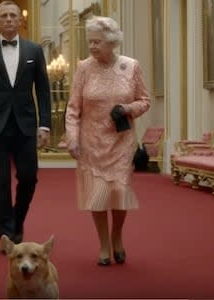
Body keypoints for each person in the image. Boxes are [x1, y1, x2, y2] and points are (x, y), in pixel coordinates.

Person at [65, 16, 150, 266]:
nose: (92, 46)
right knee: (99, 194)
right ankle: (103, 244)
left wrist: (128, 108)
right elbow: (72, 108)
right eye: (90, 41)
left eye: (97, 42)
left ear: (112, 43)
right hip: (92, 141)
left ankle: (117, 236)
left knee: (119, 191)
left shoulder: (131, 66)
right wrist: (72, 138)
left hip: (121, 141)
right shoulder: (83, 68)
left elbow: (145, 100)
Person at [0, 1, 51, 253]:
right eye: (3, 16)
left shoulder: (34, 50)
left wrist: (45, 125)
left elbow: (44, 90)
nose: (8, 19)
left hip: (26, 125)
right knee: (0, 182)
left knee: (29, 177)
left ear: (20, 20)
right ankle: (7, 234)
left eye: (12, 15)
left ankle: (17, 220)